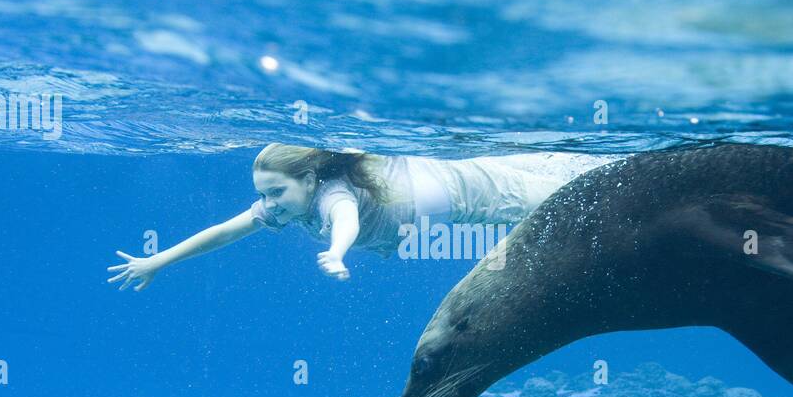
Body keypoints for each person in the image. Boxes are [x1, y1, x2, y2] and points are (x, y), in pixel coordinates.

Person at [107, 144, 614, 288]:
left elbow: (345, 216)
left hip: (474, 193)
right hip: (457, 203)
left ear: (307, 179)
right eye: (263, 195)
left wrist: (335, 251)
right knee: (563, 191)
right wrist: (158, 262)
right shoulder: (284, 207)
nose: (270, 203)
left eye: (277, 190)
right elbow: (222, 232)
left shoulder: (329, 194)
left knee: (588, 191)